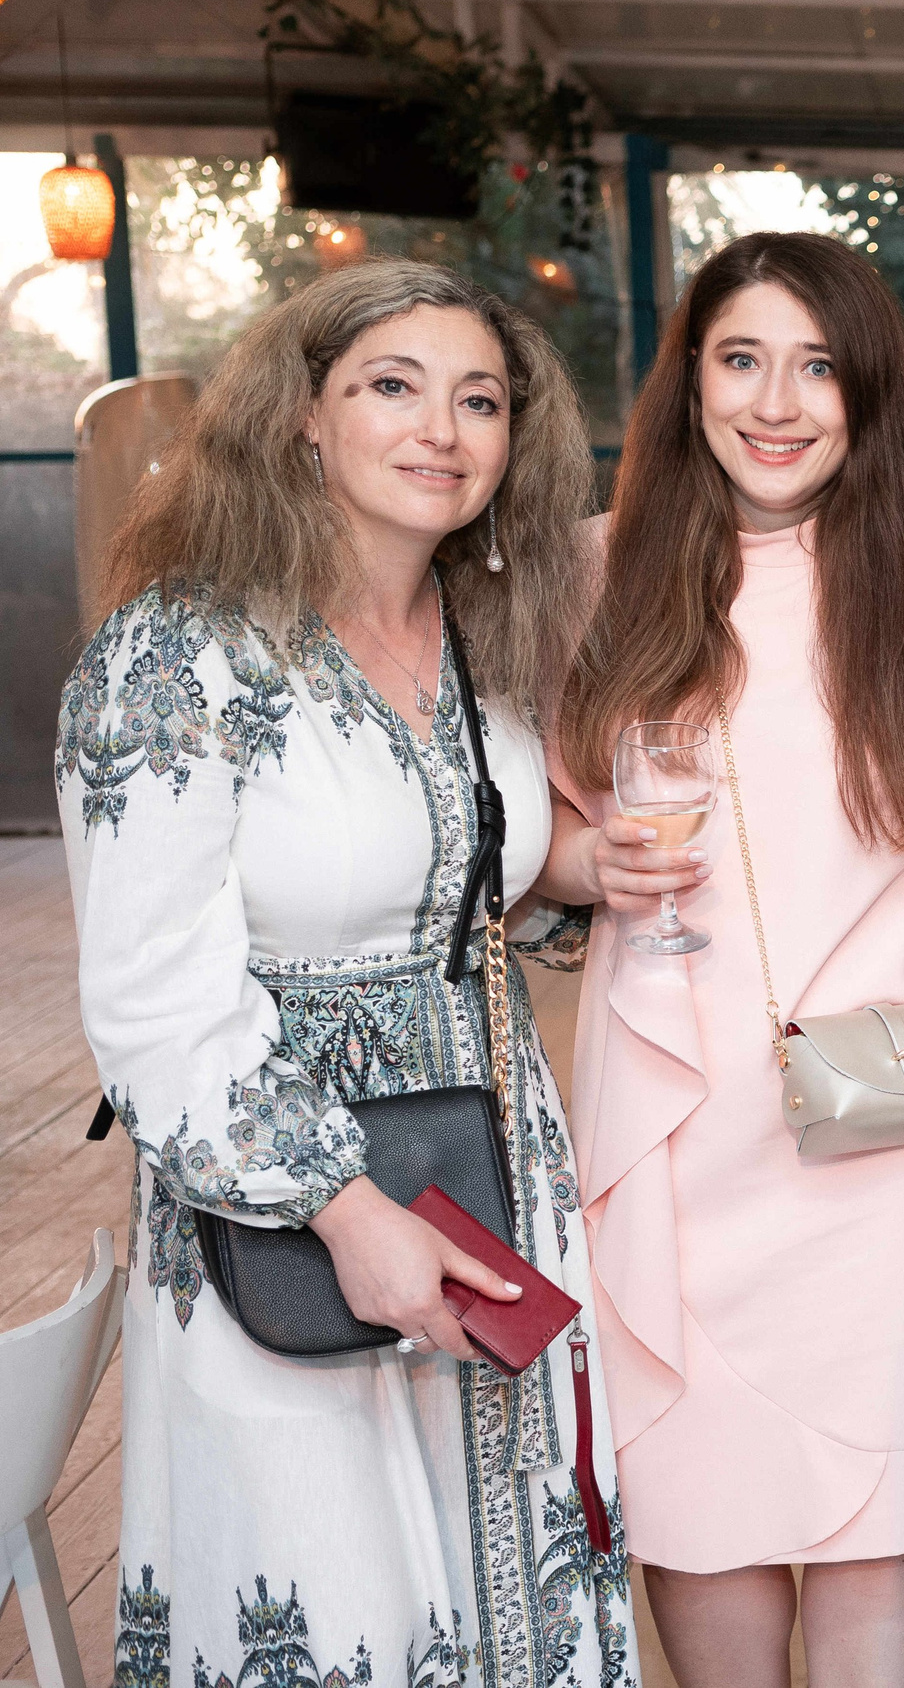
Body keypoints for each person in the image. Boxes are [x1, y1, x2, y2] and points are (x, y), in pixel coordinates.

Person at [57, 259, 629, 1687]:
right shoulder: (175, 656)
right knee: (332, 1599)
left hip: (491, 1177)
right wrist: (343, 1208)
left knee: (511, 1592)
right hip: (290, 1217)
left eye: (480, 399)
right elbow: (154, 1004)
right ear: (303, 418)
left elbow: (454, 889)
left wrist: (577, 877)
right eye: (394, 385)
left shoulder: (482, 645)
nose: (442, 427)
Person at [539, 231, 904, 1688]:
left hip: (879, 1153)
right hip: (673, 1141)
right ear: (689, 376)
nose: (778, 400)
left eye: (819, 365)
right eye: (743, 356)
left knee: (879, 1588)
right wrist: (591, 864)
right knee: (705, 1563)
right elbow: (527, 852)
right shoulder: (593, 575)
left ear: (868, 393)